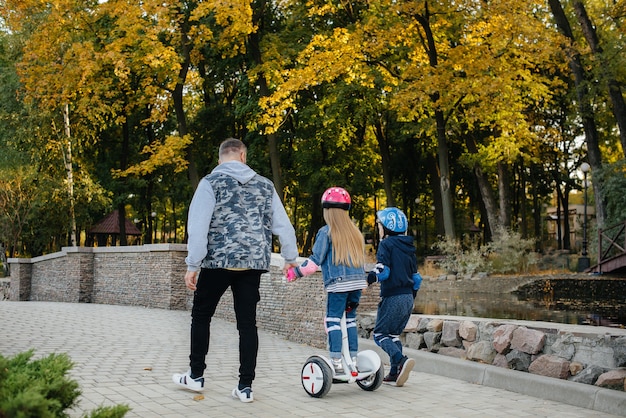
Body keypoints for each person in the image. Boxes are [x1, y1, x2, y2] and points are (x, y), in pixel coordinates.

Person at [172, 138, 299, 403]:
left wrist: (192, 265)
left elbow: (197, 227)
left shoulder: (210, 183)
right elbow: (284, 225)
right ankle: (245, 387)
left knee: (201, 316)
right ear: (243, 156)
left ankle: (195, 376)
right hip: (252, 263)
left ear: (221, 159)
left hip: (217, 262)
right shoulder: (266, 185)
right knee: (247, 325)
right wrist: (290, 257)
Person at [286, 187, 367, 374]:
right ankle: (353, 358)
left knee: (332, 320)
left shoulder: (326, 232)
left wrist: (295, 273)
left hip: (338, 285)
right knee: (350, 321)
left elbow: (314, 262)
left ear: (327, 211)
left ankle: (337, 360)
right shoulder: (355, 233)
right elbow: (360, 261)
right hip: (356, 284)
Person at [367, 207, 422, 387]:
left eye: (380, 225)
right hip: (408, 298)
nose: (379, 228)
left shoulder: (386, 244)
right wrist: (410, 297)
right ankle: (394, 373)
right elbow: (416, 279)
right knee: (393, 335)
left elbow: (383, 271)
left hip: (393, 295)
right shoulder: (409, 247)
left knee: (380, 334)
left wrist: (367, 280)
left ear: (387, 227)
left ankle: (401, 359)